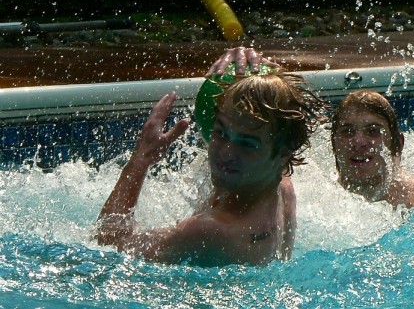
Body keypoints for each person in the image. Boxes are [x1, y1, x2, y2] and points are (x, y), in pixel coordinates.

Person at [208, 47, 414, 235]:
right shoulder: (316, 198)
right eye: (347, 132)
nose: (358, 142)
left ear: (397, 144)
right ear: (333, 143)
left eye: (373, 131)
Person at [96, 73, 326, 266]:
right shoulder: (283, 187)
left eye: (247, 144)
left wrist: (141, 159)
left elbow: (107, 247)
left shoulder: (211, 231)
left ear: (283, 152)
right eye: (221, 133)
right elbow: (283, 115)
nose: (225, 153)